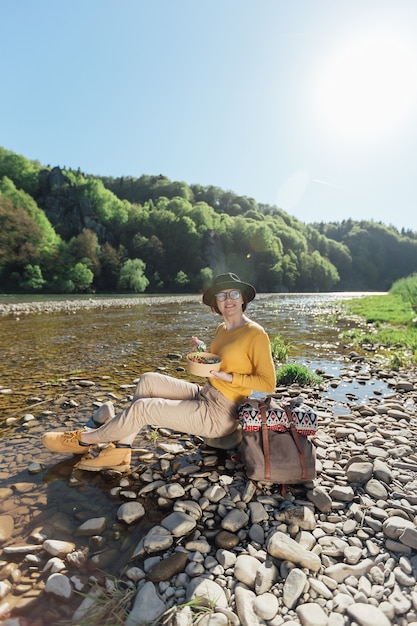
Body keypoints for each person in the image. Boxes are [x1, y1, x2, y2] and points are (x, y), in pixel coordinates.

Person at [42, 272, 276, 472]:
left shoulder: (255, 333)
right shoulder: (222, 329)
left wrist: (229, 378)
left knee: (143, 408)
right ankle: (121, 451)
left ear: (243, 298)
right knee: (148, 381)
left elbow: (268, 383)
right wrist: (201, 352)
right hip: (205, 393)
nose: (228, 300)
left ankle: (83, 439)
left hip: (221, 413)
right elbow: (218, 365)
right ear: (216, 302)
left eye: (234, 294)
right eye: (222, 295)